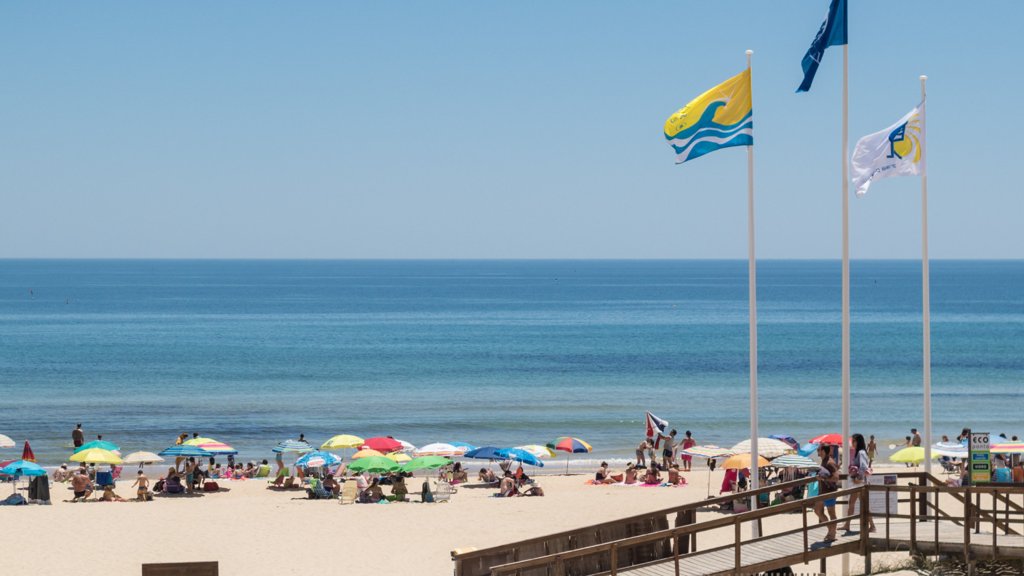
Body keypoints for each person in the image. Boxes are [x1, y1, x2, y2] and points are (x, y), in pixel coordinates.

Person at [841, 433, 875, 533]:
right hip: (858, 482)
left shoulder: (861, 452)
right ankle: (847, 525)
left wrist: (858, 478)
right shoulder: (859, 452)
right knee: (854, 503)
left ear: (858, 441)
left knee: (859, 504)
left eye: (854, 441)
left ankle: (872, 526)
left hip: (859, 483)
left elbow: (864, 468)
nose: (852, 442)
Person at [814, 444, 839, 542]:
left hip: (829, 491)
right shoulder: (824, 461)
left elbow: (836, 478)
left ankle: (832, 534)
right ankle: (831, 530)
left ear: (823, 451)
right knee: (817, 510)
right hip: (823, 491)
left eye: (818, 450)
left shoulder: (829, 462)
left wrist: (824, 478)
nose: (817, 451)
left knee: (831, 513)